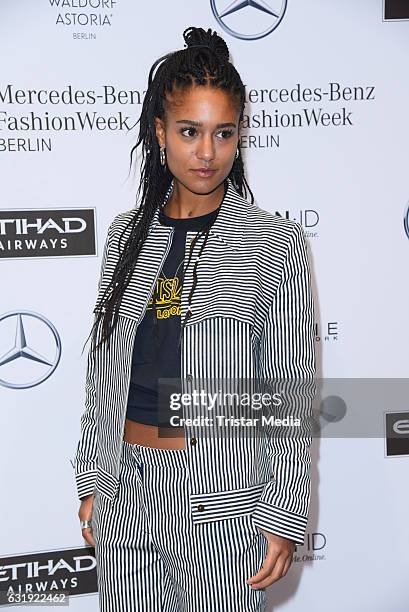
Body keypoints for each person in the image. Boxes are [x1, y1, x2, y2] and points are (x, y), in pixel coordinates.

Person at [75, 26, 316, 612]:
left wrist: (282, 515)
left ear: (239, 136)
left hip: (223, 497)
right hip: (127, 490)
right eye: (189, 132)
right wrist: (93, 481)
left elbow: (290, 390)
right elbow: (104, 376)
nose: (207, 153)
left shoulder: (272, 242)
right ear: (160, 133)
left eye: (223, 133)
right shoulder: (126, 235)